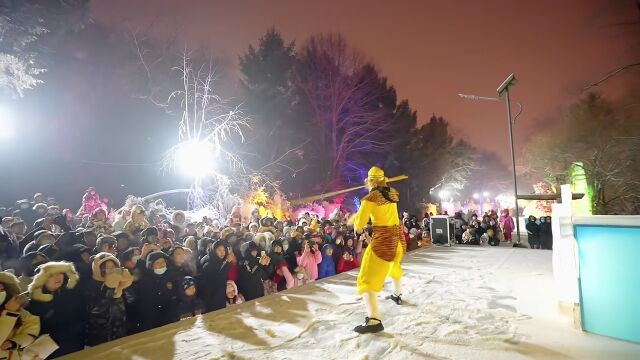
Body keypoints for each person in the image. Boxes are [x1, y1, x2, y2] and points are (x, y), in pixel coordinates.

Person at [351, 167, 405, 334]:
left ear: (369, 181)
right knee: (393, 266)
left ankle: (374, 320)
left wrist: (355, 225)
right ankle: (397, 293)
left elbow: (359, 223)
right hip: (398, 239)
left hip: (383, 242)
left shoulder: (370, 198)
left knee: (365, 280)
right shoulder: (392, 193)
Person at [26, 261, 86, 357]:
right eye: (51, 275)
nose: (58, 277)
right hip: (50, 351)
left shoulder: (72, 294)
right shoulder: (34, 304)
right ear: (41, 279)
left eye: (60, 273)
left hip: (75, 347)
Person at [85, 252, 133, 346]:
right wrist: (109, 287)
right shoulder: (91, 285)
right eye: (106, 267)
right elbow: (95, 310)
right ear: (97, 269)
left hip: (118, 333)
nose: (111, 270)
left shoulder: (118, 282)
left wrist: (125, 284)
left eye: (113, 267)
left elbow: (128, 304)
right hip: (98, 337)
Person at [0, 271, 40, 358]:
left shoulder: (20, 311)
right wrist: (10, 313)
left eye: (2, 290)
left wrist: (15, 342)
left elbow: (31, 331)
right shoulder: (12, 310)